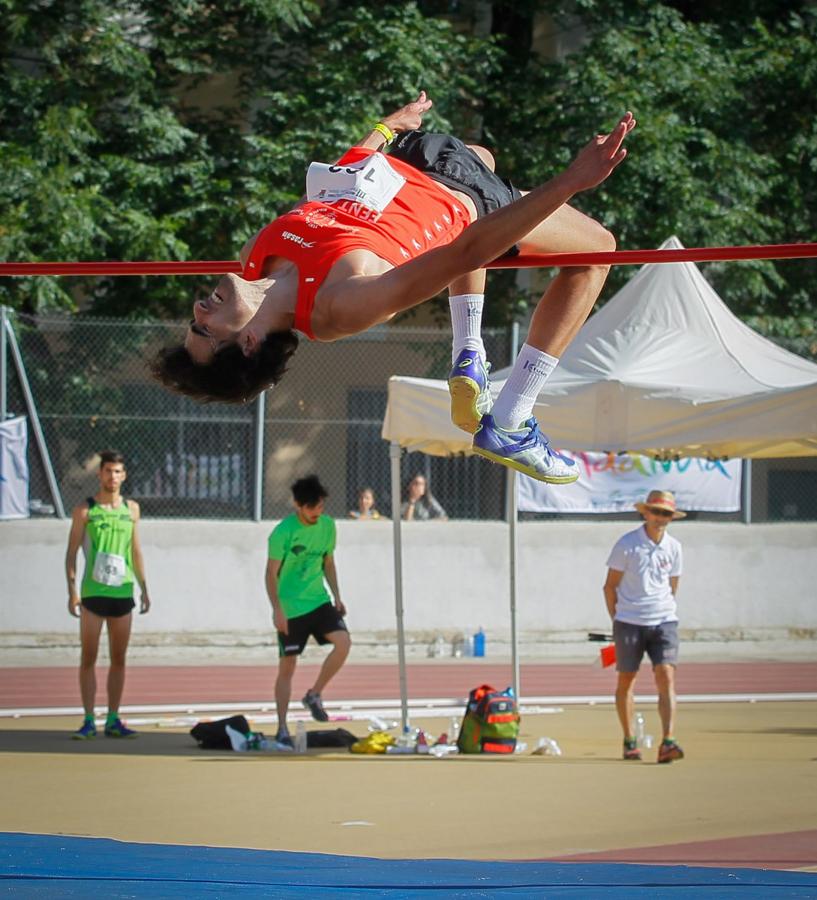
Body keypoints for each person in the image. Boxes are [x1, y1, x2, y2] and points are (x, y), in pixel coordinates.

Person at [152, 91, 636, 485]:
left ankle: (470, 355)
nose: (199, 308)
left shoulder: (256, 253)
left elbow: (331, 191)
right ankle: (511, 418)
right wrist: (572, 181)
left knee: (484, 151)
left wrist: (383, 131)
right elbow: (465, 254)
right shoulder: (339, 307)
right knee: (598, 249)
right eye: (205, 328)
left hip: (411, 160)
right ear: (250, 341)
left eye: (191, 320)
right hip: (460, 198)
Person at [64, 450, 150, 739]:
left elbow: (135, 551)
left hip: (122, 593)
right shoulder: (85, 511)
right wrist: (72, 592)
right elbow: (71, 553)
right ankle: (89, 719)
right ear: (100, 474)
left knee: (119, 659)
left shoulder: (132, 509)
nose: (112, 477)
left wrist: (145, 588)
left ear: (123, 476)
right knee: (88, 657)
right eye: (107, 471)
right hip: (92, 594)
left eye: (117, 472)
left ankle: (113, 718)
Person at [266, 474, 350, 746]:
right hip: (291, 608)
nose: (318, 513)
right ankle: (281, 726)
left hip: (319, 601)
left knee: (344, 643)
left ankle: (314, 694)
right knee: (287, 667)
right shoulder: (282, 533)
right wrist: (277, 609)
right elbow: (270, 574)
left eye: (321, 507)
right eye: (312, 508)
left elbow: (328, 562)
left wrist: (337, 596)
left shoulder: (327, 526)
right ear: (298, 506)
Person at [603, 489, 685, 764]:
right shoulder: (627, 544)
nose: (661, 518)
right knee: (627, 679)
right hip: (629, 621)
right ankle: (629, 740)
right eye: (657, 512)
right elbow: (610, 586)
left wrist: (663, 608)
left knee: (666, 676)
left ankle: (668, 740)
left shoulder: (674, 547)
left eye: (666, 514)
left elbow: (673, 584)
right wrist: (618, 618)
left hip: (664, 619)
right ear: (646, 512)